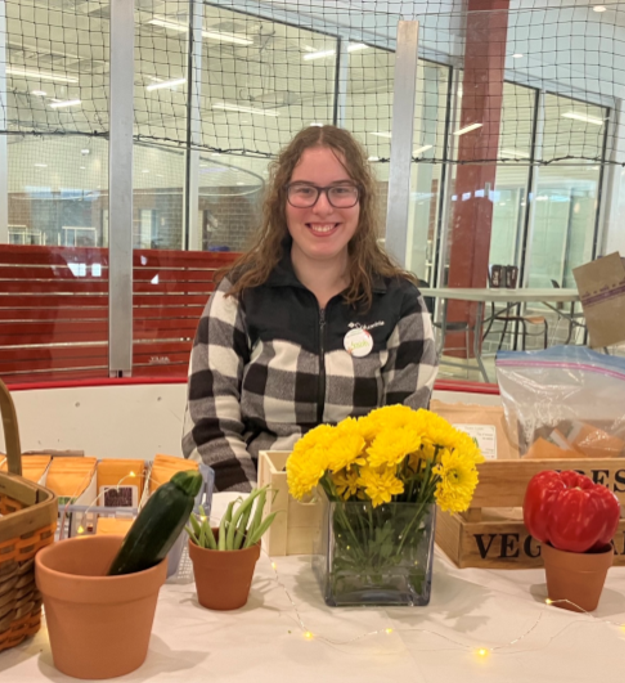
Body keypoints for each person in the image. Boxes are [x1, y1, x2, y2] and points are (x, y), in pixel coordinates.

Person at [182, 125, 439, 491]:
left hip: (359, 518)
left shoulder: (402, 304)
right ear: (282, 202)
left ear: (361, 201)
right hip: (255, 507)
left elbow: (405, 433)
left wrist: (357, 525)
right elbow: (209, 425)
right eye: (305, 190)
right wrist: (252, 515)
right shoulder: (239, 295)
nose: (322, 207)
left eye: (340, 190)